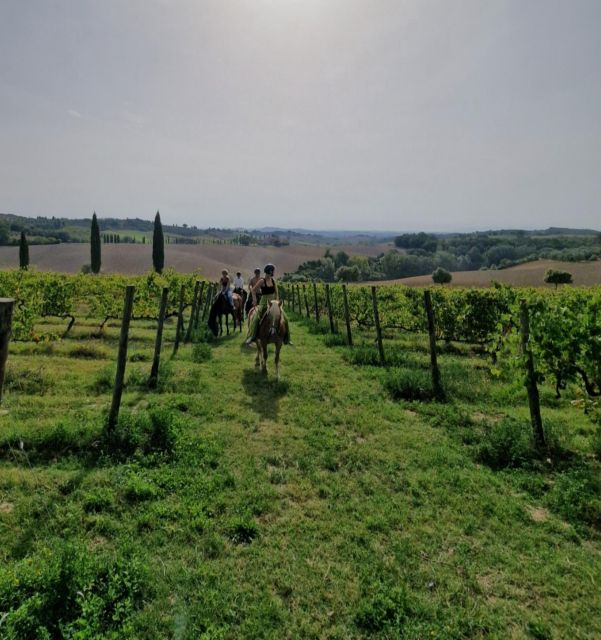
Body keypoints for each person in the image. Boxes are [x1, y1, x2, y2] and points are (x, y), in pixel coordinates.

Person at [245, 264, 290, 345]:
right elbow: (253, 291)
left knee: (285, 317)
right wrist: (254, 300)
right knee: (256, 318)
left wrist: (277, 303)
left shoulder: (273, 281)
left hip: (274, 303)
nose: (273, 272)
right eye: (273, 271)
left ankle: (287, 339)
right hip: (264, 303)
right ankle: (252, 337)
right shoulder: (262, 281)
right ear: (270, 271)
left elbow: (276, 293)